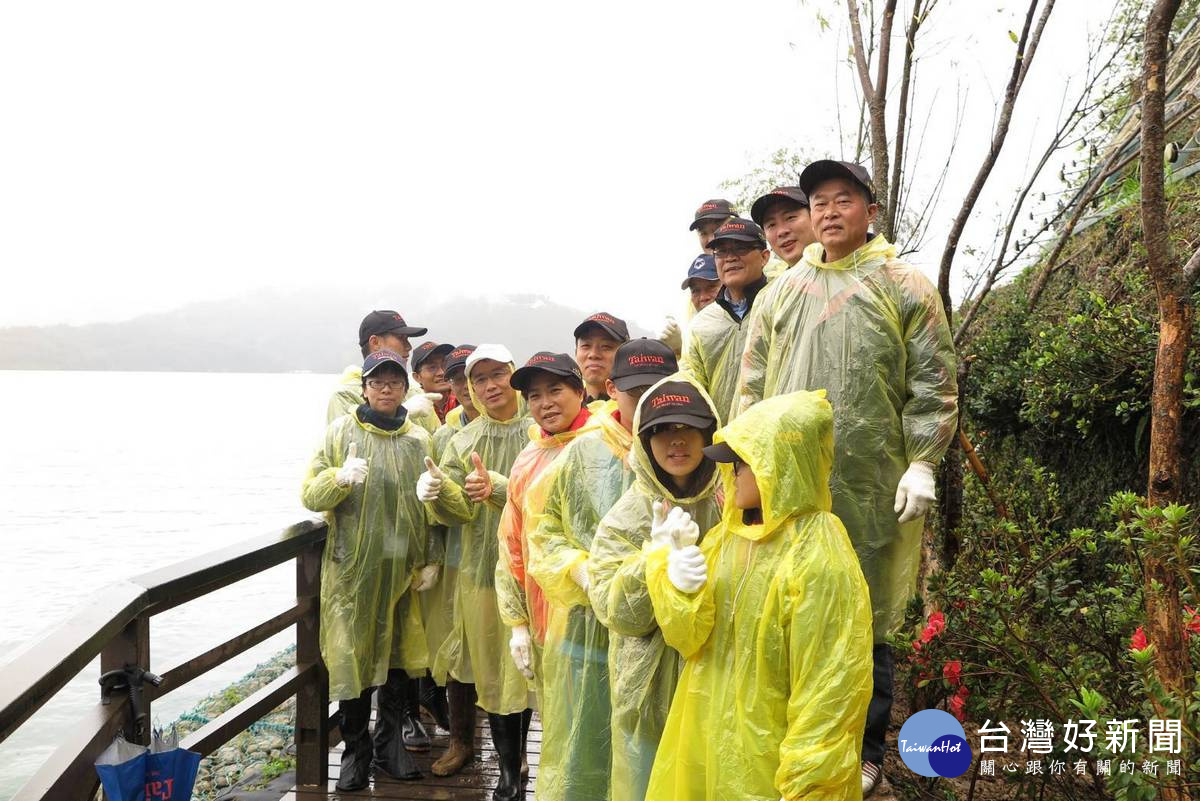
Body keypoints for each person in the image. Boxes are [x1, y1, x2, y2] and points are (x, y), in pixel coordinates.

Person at [735, 160, 958, 795]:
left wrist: (922, 459)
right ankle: (788, 738)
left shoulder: (904, 284)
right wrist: (742, 459)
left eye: (843, 200)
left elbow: (934, 380)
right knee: (785, 608)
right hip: (788, 485)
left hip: (872, 479)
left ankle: (863, 749)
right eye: (820, 202)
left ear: (870, 210)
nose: (830, 212)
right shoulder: (782, 292)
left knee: (865, 613)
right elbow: (752, 383)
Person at [644, 390, 874, 801]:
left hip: (772, 768)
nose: (732, 474)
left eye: (742, 462)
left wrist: (808, 785)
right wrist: (673, 575)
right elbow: (689, 639)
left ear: (780, 465)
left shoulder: (819, 557)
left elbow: (830, 690)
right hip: (702, 744)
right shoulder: (723, 541)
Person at [526, 338, 679, 801]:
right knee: (583, 745)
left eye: (660, 390)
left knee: (650, 749)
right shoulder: (584, 453)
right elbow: (543, 530)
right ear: (613, 390)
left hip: (666, 631)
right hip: (588, 626)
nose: (648, 404)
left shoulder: (688, 447)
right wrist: (579, 569)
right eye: (638, 394)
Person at [301, 350, 441, 791]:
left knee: (399, 662)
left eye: (394, 382)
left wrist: (432, 557)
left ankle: (389, 747)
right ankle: (354, 753)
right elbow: (309, 494)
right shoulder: (341, 433)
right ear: (364, 387)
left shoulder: (419, 440)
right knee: (352, 662)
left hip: (401, 573)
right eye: (377, 382)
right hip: (352, 574)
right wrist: (338, 479)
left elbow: (433, 503)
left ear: (405, 388)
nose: (385, 389)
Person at [587, 376, 723, 801]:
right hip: (646, 693)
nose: (675, 441)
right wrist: (655, 562)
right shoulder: (628, 514)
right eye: (661, 430)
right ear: (644, 441)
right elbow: (613, 609)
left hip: (715, 683)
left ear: (709, 432)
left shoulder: (731, 502)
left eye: (686, 427)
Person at [416, 344, 534, 801]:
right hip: (481, 573)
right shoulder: (462, 440)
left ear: (512, 374)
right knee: (490, 668)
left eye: (496, 375)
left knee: (526, 669)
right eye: (478, 378)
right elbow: (457, 513)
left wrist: (500, 489)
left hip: (535, 570)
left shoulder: (539, 429)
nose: (488, 386)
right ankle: (508, 772)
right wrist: (438, 491)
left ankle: (520, 757)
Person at [495, 353, 595, 703]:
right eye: (534, 396)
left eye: (555, 390)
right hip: (544, 615)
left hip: (596, 608)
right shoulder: (529, 457)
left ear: (580, 391)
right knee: (557, 712)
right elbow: (512, 543)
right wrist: (518, 624)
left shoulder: (605, 444)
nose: (545, 403)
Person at [418, 345, 478, 740]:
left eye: (472, 376)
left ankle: (516, 751)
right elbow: (434, 500)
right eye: (458, 378)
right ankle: (460, 740)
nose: (468, 386)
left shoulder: (521, 420)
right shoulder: (446, 431)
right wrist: (432, 556)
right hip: (459, 553)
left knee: (502, 646)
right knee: (458, 645)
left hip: (504, 554)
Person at [682, 217, 773, 424]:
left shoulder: (781, 303)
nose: (730, 258)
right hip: (722, 443)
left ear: (764, 257)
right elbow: (694, 389)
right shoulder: (701, 325)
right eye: (721, 252)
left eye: (740, 248)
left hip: (779, 436)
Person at [327, 310, 428, 423]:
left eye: (395, 383)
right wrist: (401, 414)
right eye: (401, 338)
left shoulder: (415, 393)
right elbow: (345, 438)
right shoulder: (344, 396)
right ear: (375, 342)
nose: (409, 346)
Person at [574, 311, 630, 410]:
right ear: (576, 353)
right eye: (586, 346)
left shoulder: (637, 410)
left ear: (626, 355)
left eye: (606, 347)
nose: (593, 354)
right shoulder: (562, 411)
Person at [750, 186, 816, 269]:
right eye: (771, 225)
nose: (782, 232)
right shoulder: (777, 281)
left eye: (790, 217)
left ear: (814, 216)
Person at [410, 341, 459, 426]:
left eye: (445, 364)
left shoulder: (466, 400)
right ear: (417, 377)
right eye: (432, 367)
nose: (441, 372)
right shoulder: (411, 410)